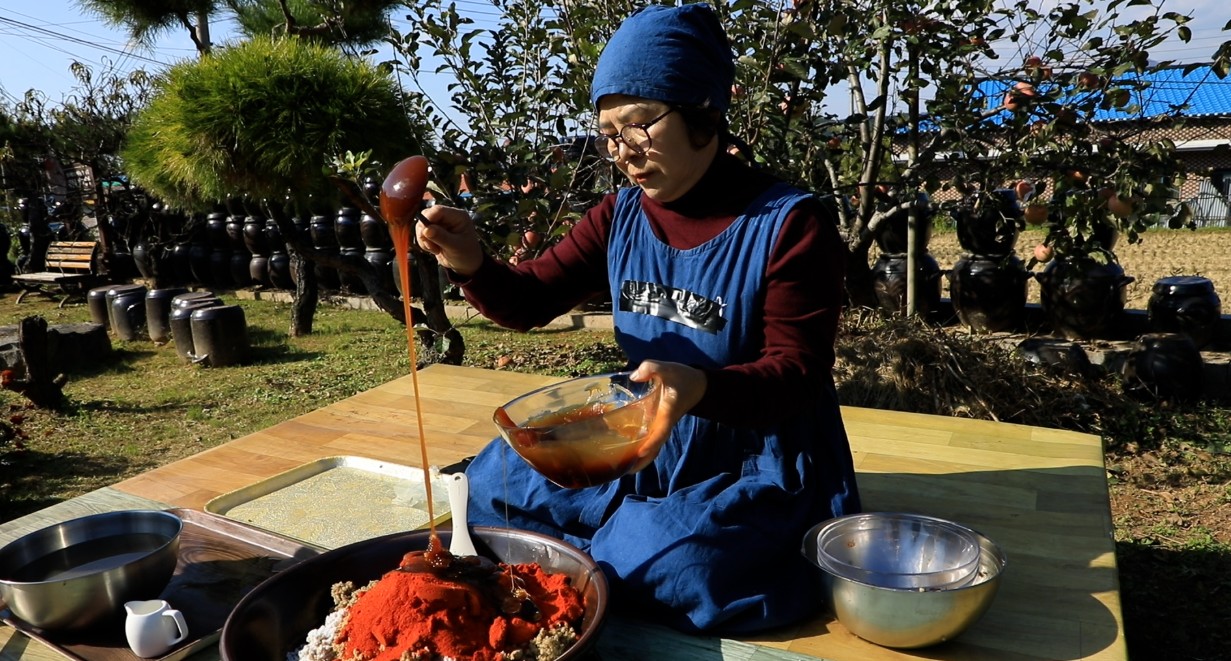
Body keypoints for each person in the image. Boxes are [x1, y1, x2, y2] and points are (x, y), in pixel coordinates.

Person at [417, 3, 860, 635]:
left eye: (640, 125)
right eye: (607, 132)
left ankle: (619, 542)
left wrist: (700, 387)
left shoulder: (789, 224)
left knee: (670, 565)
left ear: (702, 110)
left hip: (752, 445)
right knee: (490, 488)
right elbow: (528, 300)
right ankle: (605, 539)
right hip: (639, 426)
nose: (622, 150)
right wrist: (470, 259)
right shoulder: (620, 215)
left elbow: (798, 374)